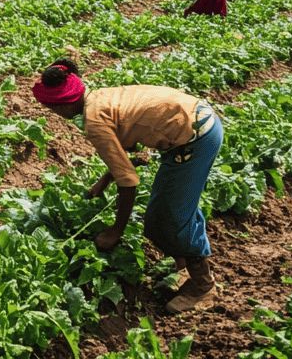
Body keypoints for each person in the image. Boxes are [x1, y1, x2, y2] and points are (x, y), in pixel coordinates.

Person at [31, 58, 222, 314]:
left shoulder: (94, 122)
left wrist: (115, 231)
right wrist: (104, 180)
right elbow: (123, 152)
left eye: (51, 108)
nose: (53, 114)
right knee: (167, 209)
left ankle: (203, 287)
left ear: (61, 105)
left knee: (170, 217)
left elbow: (129, 182)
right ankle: (184, 268)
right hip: (194, 123)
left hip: (196, 138)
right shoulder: (97, 98)